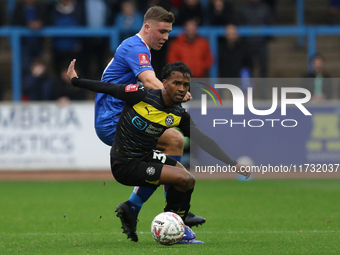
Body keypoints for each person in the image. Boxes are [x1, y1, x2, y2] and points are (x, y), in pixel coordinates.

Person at [67, 59, 250, 243]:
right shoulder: (140, 95)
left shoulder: (178, 114)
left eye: (185, 85)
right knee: (182, 178)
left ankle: (176, 221)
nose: (181, 88)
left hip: (145, 157)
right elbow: (107, 88)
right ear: (164, 83)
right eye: (176, 83)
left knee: (189, 180)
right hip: (125, 164)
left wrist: (233, 164)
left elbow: (203, 140)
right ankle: (173, 224)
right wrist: (76, 81)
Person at [95, 5, 205, 235]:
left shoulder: (137, 47)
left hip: (119, 117)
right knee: (174, 139)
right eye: (162, 31)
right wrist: (177, 96)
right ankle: (174, 212)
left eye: (168, 32)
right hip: (114, 120)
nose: (166, 37)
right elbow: (149, 79)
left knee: (174, 141)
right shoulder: (136, 47)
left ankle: (137, 207)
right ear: (147, 27)